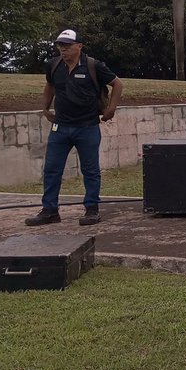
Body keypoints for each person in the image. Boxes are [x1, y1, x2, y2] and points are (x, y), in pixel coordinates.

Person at [25, 28, 124, 227]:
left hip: (86, 126)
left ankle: (92, 209)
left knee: (90, 170)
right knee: (52, 169)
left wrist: (111, 109)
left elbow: (117, 84)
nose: (63, 50)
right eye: (60, 45)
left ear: (79, 46)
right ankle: (50, 210)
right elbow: (50, 86)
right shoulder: (53, 65)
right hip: (60, 127)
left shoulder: (92, 65)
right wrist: (44, 108)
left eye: (68, 46)